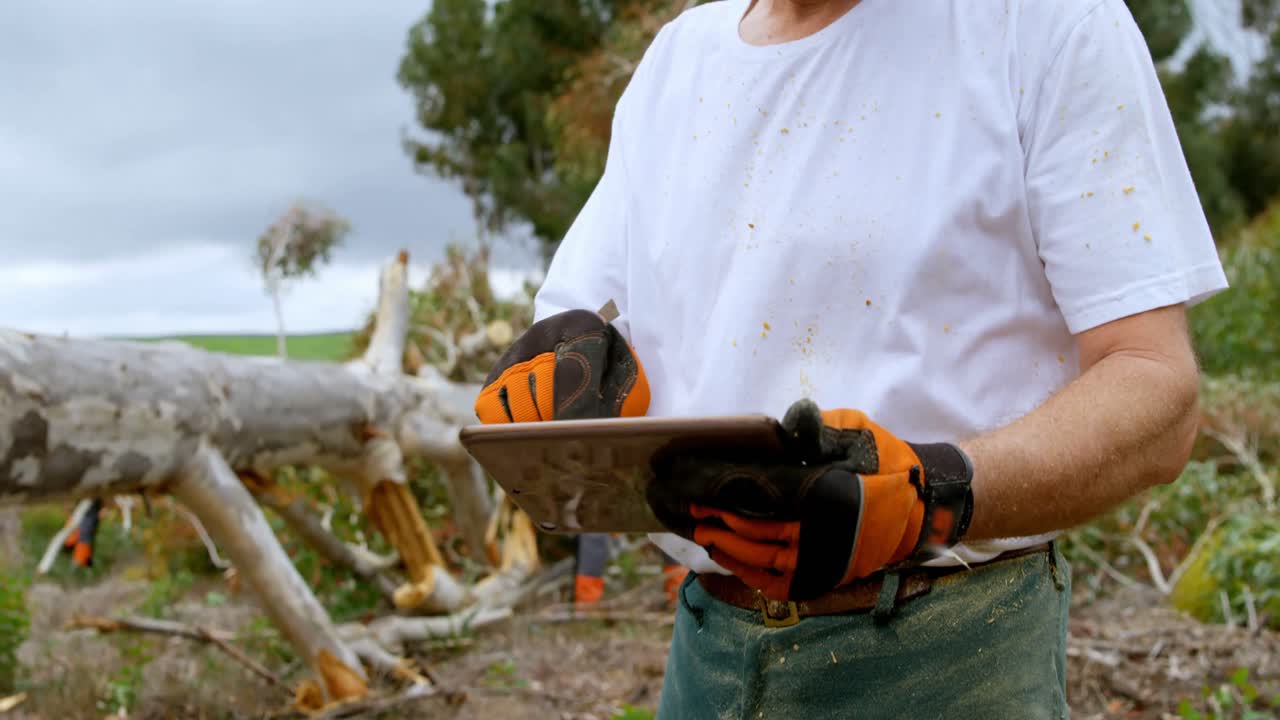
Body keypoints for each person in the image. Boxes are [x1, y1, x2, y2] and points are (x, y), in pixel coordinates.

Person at [475, 0, 1226, 716]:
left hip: (950, 659)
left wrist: (932, 496)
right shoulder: (680, 60)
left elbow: (1156, 391)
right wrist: (563, 374)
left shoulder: (1041, 24)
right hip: (707, 657)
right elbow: (593, 324)